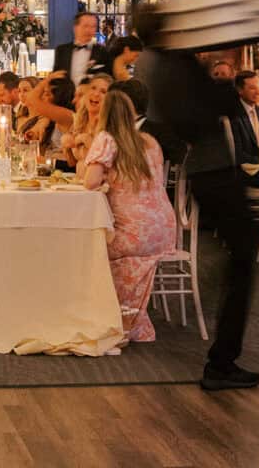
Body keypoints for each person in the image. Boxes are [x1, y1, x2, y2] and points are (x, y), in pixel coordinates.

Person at [138, 26, 259, 391]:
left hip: (210, 172)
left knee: (239, 258)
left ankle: (222, 349)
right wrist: (231, 70)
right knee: (242, 259)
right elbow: (211, 111)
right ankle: (222, 362)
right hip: (214, 172)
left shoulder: (163, 63)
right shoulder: (173, 66)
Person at [81, 91, 176, 344]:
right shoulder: (149, 141)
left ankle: (104, 316)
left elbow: (89, 182)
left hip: (136, 234)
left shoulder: (107, 140)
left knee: (87, 248)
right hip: (165, 229)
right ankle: (124, 315)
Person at [109, 78, 187, 167]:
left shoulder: (160, 133)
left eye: (116, 103)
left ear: (127, 103)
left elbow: (181, 156)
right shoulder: (113, 132)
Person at [20, 74, 75, 167]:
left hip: (64, 172)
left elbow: (32, 99)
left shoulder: (67, 116)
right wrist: (33, 135)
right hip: (51, 171)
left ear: (59, 96)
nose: (43, 98)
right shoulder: (50, 119)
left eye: (47, 94)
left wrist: (47, 80)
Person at [53, 13, 107, 85]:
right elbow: (56, 77)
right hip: (66, 95)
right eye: (86, 26)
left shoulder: (101, 51)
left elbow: (106, 78)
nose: (89, 30)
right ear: (75, 28)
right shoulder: (62, 50)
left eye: (93, 26)